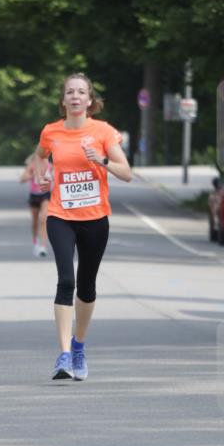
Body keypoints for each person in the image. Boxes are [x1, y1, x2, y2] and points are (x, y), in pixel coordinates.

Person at [33, 73, 132, 382]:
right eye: (69, 92)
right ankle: (63, 355)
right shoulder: (51, 132)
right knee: (66, 281)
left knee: (86, 286)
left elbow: (126, 173)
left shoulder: (102, 132)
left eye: (81, 92)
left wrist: (101, 160)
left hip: (95, 218)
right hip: (61, 215)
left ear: (90, 100)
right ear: (63, 101)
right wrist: (43, 176)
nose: (75, 97)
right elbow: (38, 157)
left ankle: (78, 346)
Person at [20, 153, 53, 256]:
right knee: (35, 221)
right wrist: (32, 175)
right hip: (34, 195)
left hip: (46, 195)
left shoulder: (50, 166)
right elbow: (22, 179)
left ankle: (43, 246)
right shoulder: (32, 165)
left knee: (43, 218)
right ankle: (35, 242)